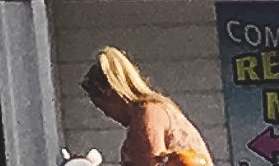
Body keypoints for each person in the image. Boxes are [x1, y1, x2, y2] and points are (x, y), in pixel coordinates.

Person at [78, 51, 214, 166]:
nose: (107, 115)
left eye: (103, 108)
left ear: (107, 92)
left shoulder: (148, 114)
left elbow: (150, 162)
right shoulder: (155, 110)